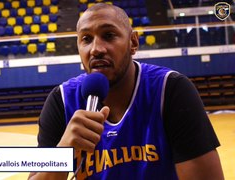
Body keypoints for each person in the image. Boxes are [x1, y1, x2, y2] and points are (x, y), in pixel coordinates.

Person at [28, 3, 224, 180]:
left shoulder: (170, 90)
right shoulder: (61, 100)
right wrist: (64, 151)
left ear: (133, 43)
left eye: (109, 35)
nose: (96, 49)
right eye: (86, 39)